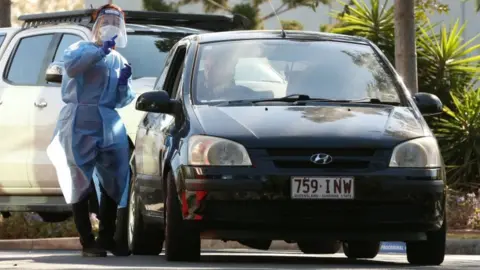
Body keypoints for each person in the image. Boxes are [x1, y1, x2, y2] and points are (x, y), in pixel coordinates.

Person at [46, 3, 135, 257]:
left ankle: (108, 236)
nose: (111, 27)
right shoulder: (78, 49)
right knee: (79, 179)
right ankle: (88, 240)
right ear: (95, 23)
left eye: (116, 23)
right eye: (106, 21)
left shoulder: (119, 59)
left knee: (116, 177)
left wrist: (123, 83)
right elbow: (73, 68)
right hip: (79, 121)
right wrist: (99, 52)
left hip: (108, 121)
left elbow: (121, 100)